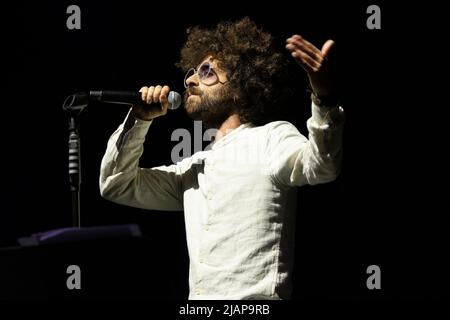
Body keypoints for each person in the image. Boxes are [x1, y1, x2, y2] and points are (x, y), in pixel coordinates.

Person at [100, 17, 344, 300]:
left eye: (206, 72)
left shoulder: (272, 138)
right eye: (191, 72)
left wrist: (323, 99)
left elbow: (322, 166)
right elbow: (115, 184)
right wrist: (139, 120)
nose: (190, 80)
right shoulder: (193, 168)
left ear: (240, 86)